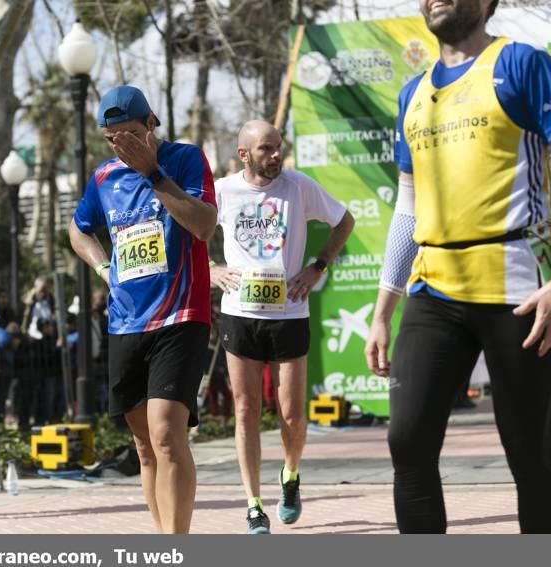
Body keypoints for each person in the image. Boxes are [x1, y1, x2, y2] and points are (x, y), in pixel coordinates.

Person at [365, 0, 551, 534]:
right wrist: (383, 310)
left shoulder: (520, 65)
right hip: (434, 288)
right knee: (408, 440)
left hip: (517, 285)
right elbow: (407, 207)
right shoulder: (413, 94)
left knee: (533, 457)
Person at [68, 85, 217, 534]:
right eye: (113, 139)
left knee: (169, 435)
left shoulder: (185, 159)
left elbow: (205, 225)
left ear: (152, 123)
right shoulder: (103, 178)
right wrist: (103, 268)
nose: (123, 146)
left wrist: (152, 173)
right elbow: (78, 231)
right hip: (125, 320)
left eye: (131, 134)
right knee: (145, 445)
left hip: (180, 315)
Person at [210, 120, 354, 533]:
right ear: (244, 155)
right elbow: (188, 235)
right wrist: (212, 269)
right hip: (241, 314)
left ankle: (290, 475)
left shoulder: (298, 186)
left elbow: (344, 222)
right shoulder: (222, 191)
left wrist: (317, 266)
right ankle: (253, 503)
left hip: (289, 312)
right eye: (267, 150)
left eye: (279, 148)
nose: (276, 156)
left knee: (291, 414)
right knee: (246, 410)